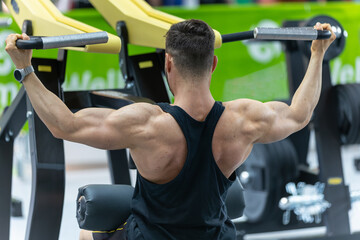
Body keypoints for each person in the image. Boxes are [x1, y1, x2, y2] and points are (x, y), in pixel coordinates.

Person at [5, 19, 335, 240]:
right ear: (213, 64)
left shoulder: (146, 123)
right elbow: (298, 114)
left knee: (84, 235)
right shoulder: (244, 120)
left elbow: (64, 125)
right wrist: (317, 55)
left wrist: (26, 70)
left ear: (168, 64)